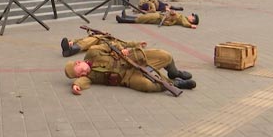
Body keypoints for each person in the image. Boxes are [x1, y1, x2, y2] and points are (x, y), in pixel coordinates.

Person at [64, 43, 196, 95]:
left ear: (78, 62)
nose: (82, 73)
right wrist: (76, 85)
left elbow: (110, 45)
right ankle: (176, 84)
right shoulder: (87, 76)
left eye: (80, 70)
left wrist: (122, 49)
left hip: (132, 59)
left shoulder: (93, 52)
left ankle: (175, 73)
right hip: (127, 77)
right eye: (79, 75)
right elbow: (83, 81)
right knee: (147, 85)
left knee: (165, 55)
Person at [60, 34, 146, 57]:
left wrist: (138, 44)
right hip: (95, 42)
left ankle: (70, 50)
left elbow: (126, 44)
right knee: (90, 39)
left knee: (93, 40)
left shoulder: (113, 40)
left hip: (107, 46)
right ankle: (70, 48)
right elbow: (82, 39)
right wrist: (72, 41)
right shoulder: (96, 36)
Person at [116, 10, 199, 29]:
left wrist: (191, 26)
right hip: (161, 15)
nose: (190, 16)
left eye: (192, 17)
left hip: (160, 18)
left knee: (144, 19)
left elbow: (184, 23)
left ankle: (123, 20)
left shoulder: (183, 19)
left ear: (192, 20)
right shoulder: (183, 17)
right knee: (144, 17)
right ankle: (126, 16)